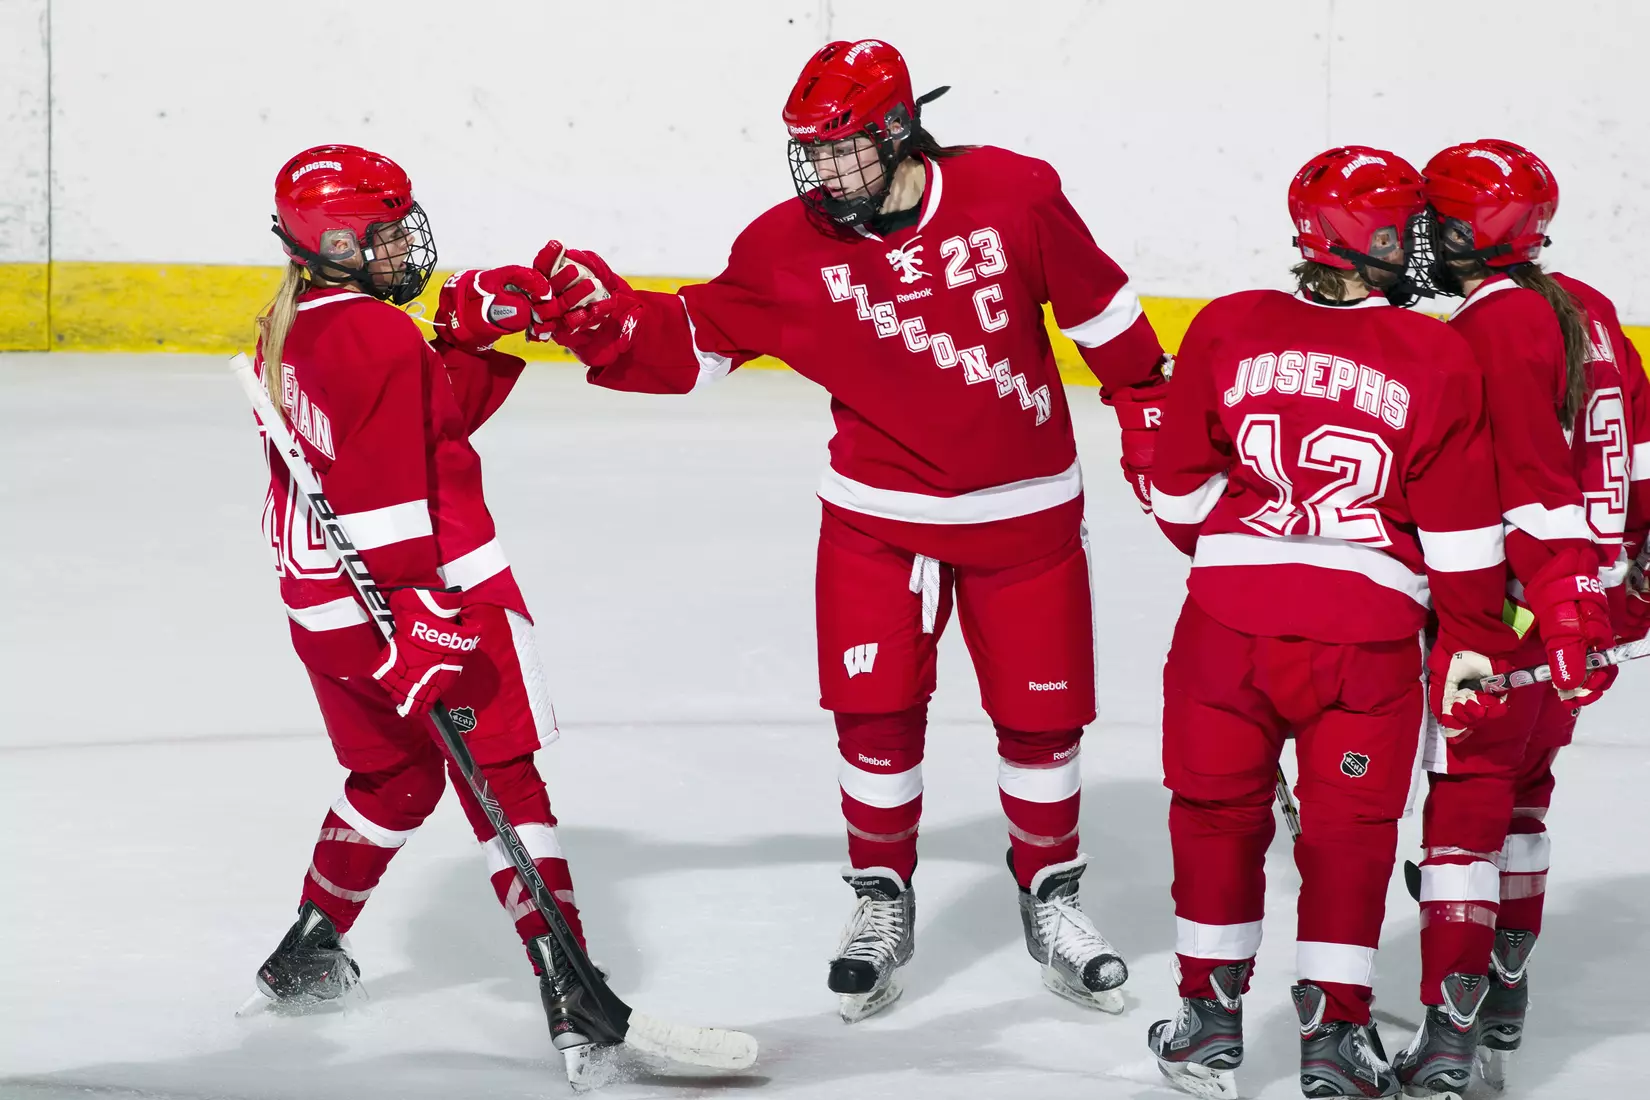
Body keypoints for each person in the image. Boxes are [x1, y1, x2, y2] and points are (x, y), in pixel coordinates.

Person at [525, 39, 1171, 1022]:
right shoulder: (783, 249)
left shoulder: (1014, 196)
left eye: (840, 151)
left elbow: (1103, 314)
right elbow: (695, 344)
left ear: (900, 130)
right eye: (807, 154)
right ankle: (882, 897)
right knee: (874, 716)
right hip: (879, 525)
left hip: (1026, 515)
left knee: (1043, 723)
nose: (820, 173)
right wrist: (607, 327)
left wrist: (1150, 409)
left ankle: (1054, 899)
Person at [1143, 146, 1518, 1100]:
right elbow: (1462, 532)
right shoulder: (1438, 351)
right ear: (1375, 241)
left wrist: (1246, 550)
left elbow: (1178, 496)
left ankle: (1207, 1023)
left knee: (1215, 816)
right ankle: (1334, 1039)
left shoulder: (1227, 326)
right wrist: (1474, 634)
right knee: (1348, 834)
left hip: (1225, 626)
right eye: (1406, 230)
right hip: (1367, 637)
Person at [244, 144, 606, 1072]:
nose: (407, 244)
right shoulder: (380, 335)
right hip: (419, 601)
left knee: (397, 782)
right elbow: (391, 499)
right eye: (388, 232)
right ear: (334, 241)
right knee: (508, 783)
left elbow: (414, 418)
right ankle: (571, 988)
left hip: (325, 613)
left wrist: (475, 341)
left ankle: (309, 949)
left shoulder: (291, 328)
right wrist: (426, 619)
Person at [1393, 138, 1650, 1096]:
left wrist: (1551, 610)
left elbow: (1531, 489)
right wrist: (1615, 583)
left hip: (1513, 615)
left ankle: (1450, 1035)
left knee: (1465, 813)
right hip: (1594, 601)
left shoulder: (1491, 329)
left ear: (1465, 231)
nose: (1412, 227)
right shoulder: (1583, 302)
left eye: (1430, 212)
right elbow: (1639, 444)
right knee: (1526, 795)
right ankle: (1503, 991)